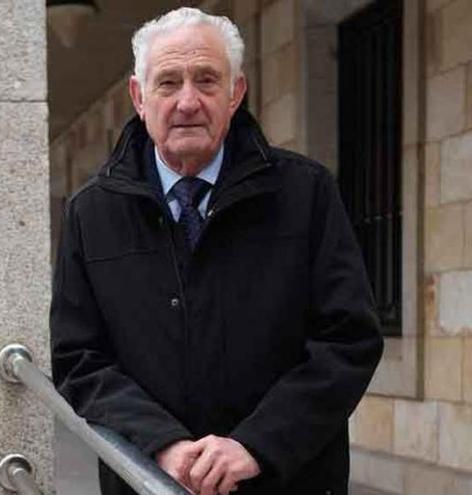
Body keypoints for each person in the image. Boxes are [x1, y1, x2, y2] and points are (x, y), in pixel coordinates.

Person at [50, 8, 384, 495]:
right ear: (139, 98)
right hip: (150, 482)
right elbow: (79, 359)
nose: (188, 101)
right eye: (168, 82)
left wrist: (256, 444)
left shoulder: (306, 193)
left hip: (288, 480)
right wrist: (163, 444)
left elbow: (348, 340)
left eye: (207, 80)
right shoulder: (91, 213)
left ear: (236, 93)